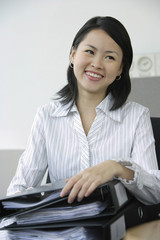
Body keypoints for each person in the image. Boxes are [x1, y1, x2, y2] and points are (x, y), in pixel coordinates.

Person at [7, 16, 160, 205]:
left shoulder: (137, 116)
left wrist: (116, 168)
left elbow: (155, 193)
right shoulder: (47, 116)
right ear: (73, 55)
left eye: (109, 57)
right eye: (89, 51)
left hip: (117, 230)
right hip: (61, 229)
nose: (97, 64)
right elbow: (17, 191)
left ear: (120, 69)